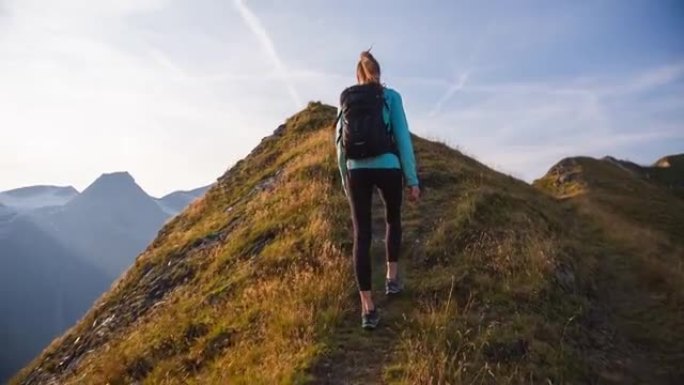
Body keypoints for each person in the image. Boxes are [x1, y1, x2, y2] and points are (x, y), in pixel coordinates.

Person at [335, 50, 420, 330]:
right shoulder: (390, 97)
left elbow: (339, 144)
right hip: (389, 166)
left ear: (358, 74)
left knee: (362, 235)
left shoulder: (346, 98)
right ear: (378, 72)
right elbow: (403, 137)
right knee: (393, 219)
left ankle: (368, 308)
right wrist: (412, 180)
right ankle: (391, 278)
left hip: (357, 169)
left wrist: (345, 177)